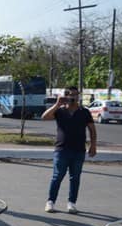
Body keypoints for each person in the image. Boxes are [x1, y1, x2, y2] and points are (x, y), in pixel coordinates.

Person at [41, 86, 97, 214]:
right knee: (57, 176)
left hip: (79, 150)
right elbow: (44, 117)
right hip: (62, 149)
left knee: (75, 177)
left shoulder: (84, 112)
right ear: (65, 96)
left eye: (76, 95)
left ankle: (71, 203)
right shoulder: (60, 111)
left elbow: (92, 129)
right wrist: (57, 104)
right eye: (70, 95)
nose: (73, 98)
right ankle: (50, 202)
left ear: (79, 96)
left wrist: (93, 145)